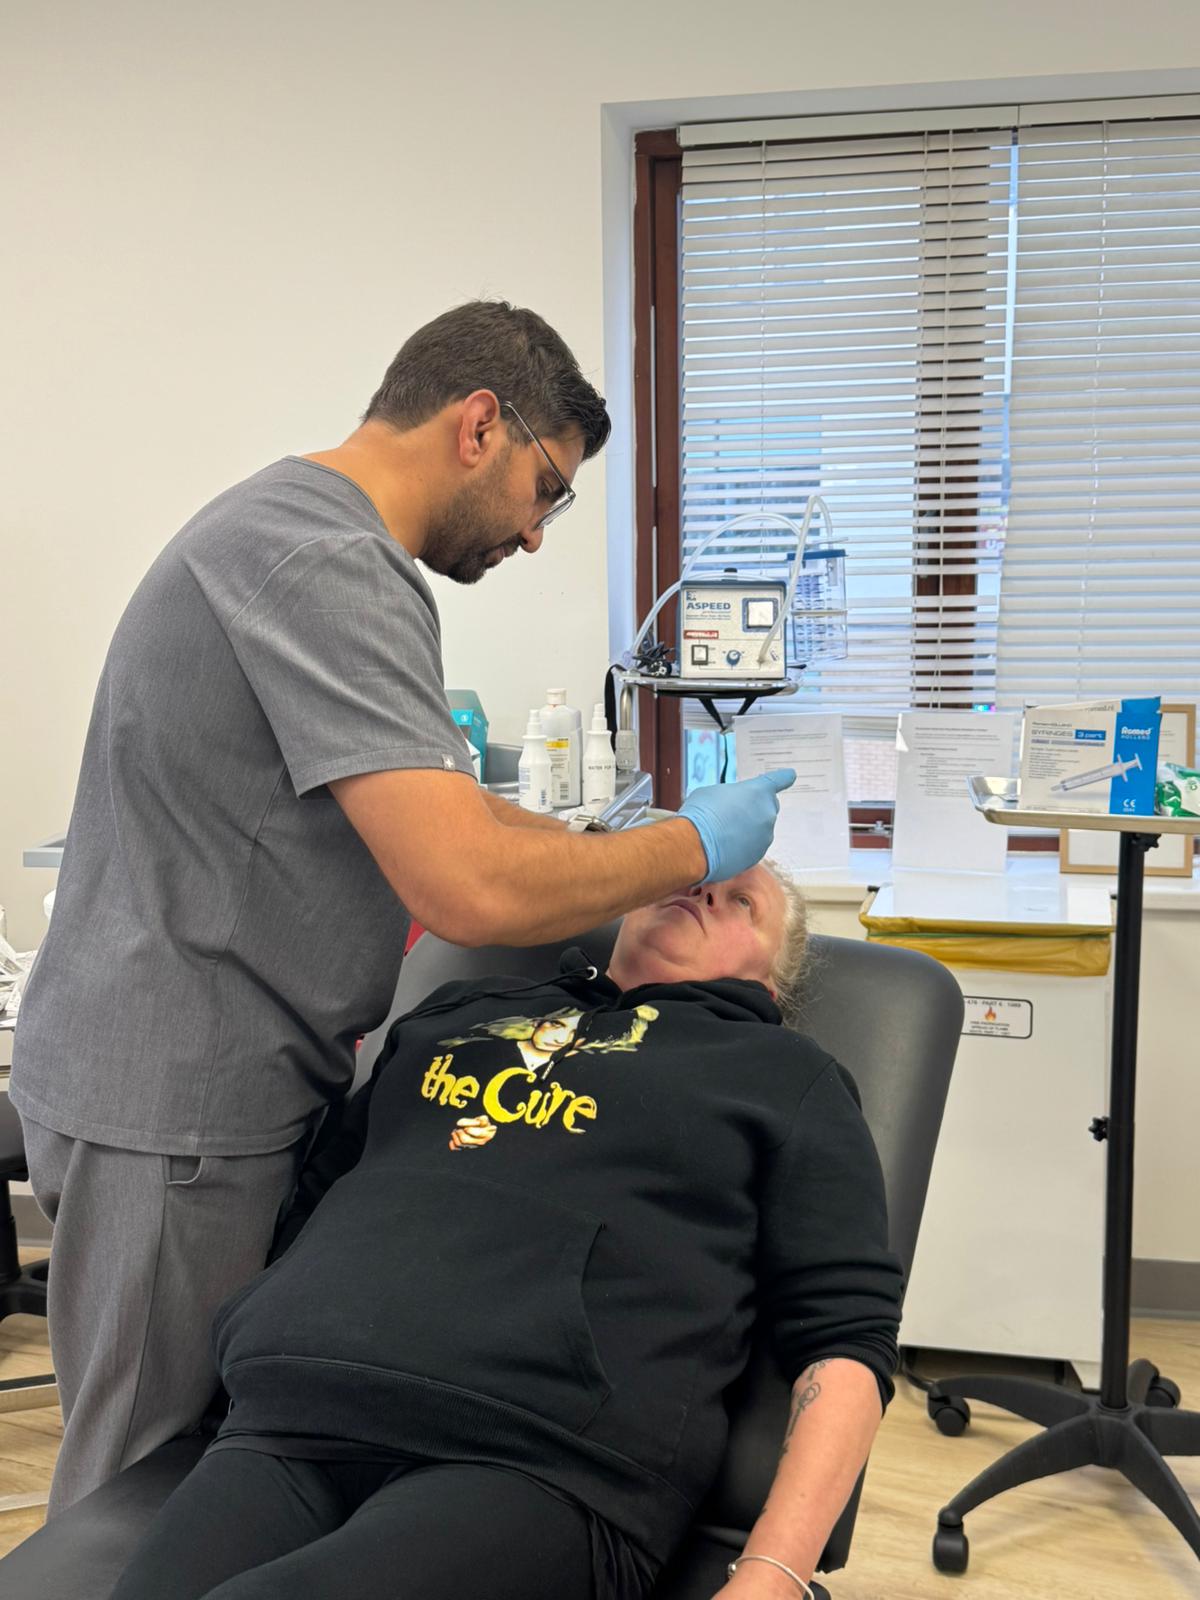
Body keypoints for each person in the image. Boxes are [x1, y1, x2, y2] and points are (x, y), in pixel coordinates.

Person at [10, 298, 796, 1516]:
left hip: (207, 1083)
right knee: (137, 1490)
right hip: (175, 1106)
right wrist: (687, 846)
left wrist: (608, 846)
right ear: (479, 424)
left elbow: (455, 814)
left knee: (212, 1464)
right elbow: (466, 884)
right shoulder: (327, 564)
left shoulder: (298, 534)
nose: (535, 533)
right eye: (547, 490)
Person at [108, 861, 903, 1600]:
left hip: (539, 1456)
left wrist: (771, 1574)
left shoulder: (785, 1077)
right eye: (696, 873)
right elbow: (319, 1199)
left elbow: (847, 1340)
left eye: (741, 902)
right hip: (295, 1409)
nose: (704, 891)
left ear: (772, 978)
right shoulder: (460, 1012)